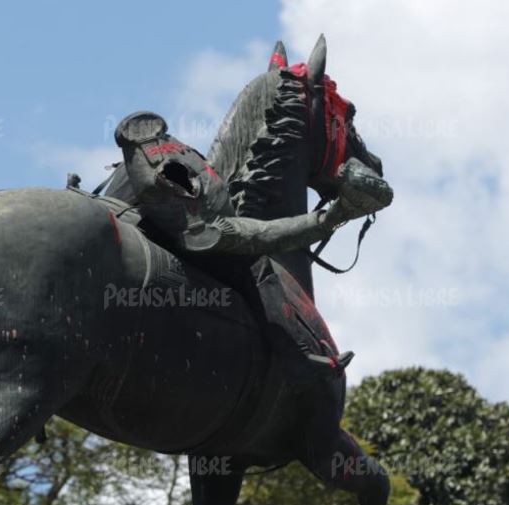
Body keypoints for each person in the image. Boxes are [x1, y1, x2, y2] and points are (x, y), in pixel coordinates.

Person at [114, 111, 392, 384]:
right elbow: (254, 233)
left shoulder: (142, 159)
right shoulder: (187, 164)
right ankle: (297, 358)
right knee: (257, 265)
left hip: (129, 214)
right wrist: (331, 218)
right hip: (194, 232)